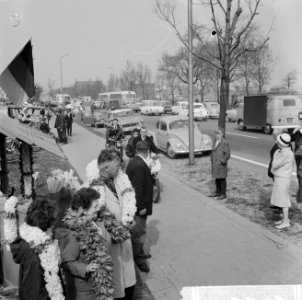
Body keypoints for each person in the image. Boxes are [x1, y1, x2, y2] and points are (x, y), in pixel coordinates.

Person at [56, 187, 115, 300]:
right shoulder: (72, 233)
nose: (98, 209)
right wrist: (86, 268)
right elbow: (67, 263)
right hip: (84, 292)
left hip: (96, 285)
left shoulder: (91, 223)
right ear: (83, 209)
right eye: (95, 207)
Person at [97, 149, 136, 299]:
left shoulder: (119, 180)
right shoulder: (94, 187)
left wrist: (128, 218)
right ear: (105, 167)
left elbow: (127, 202)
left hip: (124, 237)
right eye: (116, 165)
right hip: (110, 241)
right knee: (117, 279)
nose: (119, 167)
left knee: (128, 278)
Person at [10, 198, 64, 300]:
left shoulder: (30, 239)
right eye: (53, 219)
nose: (55, 222)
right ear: (45, 221)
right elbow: (35, 289)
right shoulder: (36, 250)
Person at [126, 141, 154, 273]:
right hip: (139, 206)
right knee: (139, 233)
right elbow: (138, 187)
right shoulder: (139, 165)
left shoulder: (135, 161)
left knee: (138, 231)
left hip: (136, 204)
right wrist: (141, 206)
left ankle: (140, 254)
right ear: (147, 151)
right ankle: (138, 260)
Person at [270, 133, 295, 229]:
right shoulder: (286, 152)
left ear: (282, 144)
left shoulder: (285, 153)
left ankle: (286, 221)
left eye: (278, 142)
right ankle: (285, 219)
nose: (277, 144)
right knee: (282, 199)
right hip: (282, 178)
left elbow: (275, 165)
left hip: (283, 179)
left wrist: (275, 155)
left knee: (283, 200)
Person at [209, 127, 231, 200]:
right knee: (217, 178)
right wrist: (211, 158)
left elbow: (227, 154)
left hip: (221, 164)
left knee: (222, 179)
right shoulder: (214, 141)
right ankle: (218, 192)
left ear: (222, 134)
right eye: (216, 133)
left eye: (219, 134)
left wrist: (222, 160)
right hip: (215, 163)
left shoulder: (224, 143)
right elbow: (213, 150)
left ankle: (223, 193)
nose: (217, 135)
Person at [291, 111, 302, 203]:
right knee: (299, 174)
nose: (301, 120)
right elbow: (290, 139)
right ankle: (300, 192)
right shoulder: (298, 130)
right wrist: (295, 131)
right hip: (298, 155)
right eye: (300, 118)